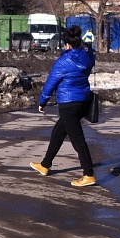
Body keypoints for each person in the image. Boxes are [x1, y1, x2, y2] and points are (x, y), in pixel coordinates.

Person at [30, 25, 96, 187]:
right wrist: (87, 48)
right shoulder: (87, 57)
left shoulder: (63, 61)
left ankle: (89, 174)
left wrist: (42, 102)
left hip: (68, 104)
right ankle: (45, 165)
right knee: (58, 133)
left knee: (78, 140)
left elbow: (51, 83)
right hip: (83, 102)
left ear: (67, 45)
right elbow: (92, 56)